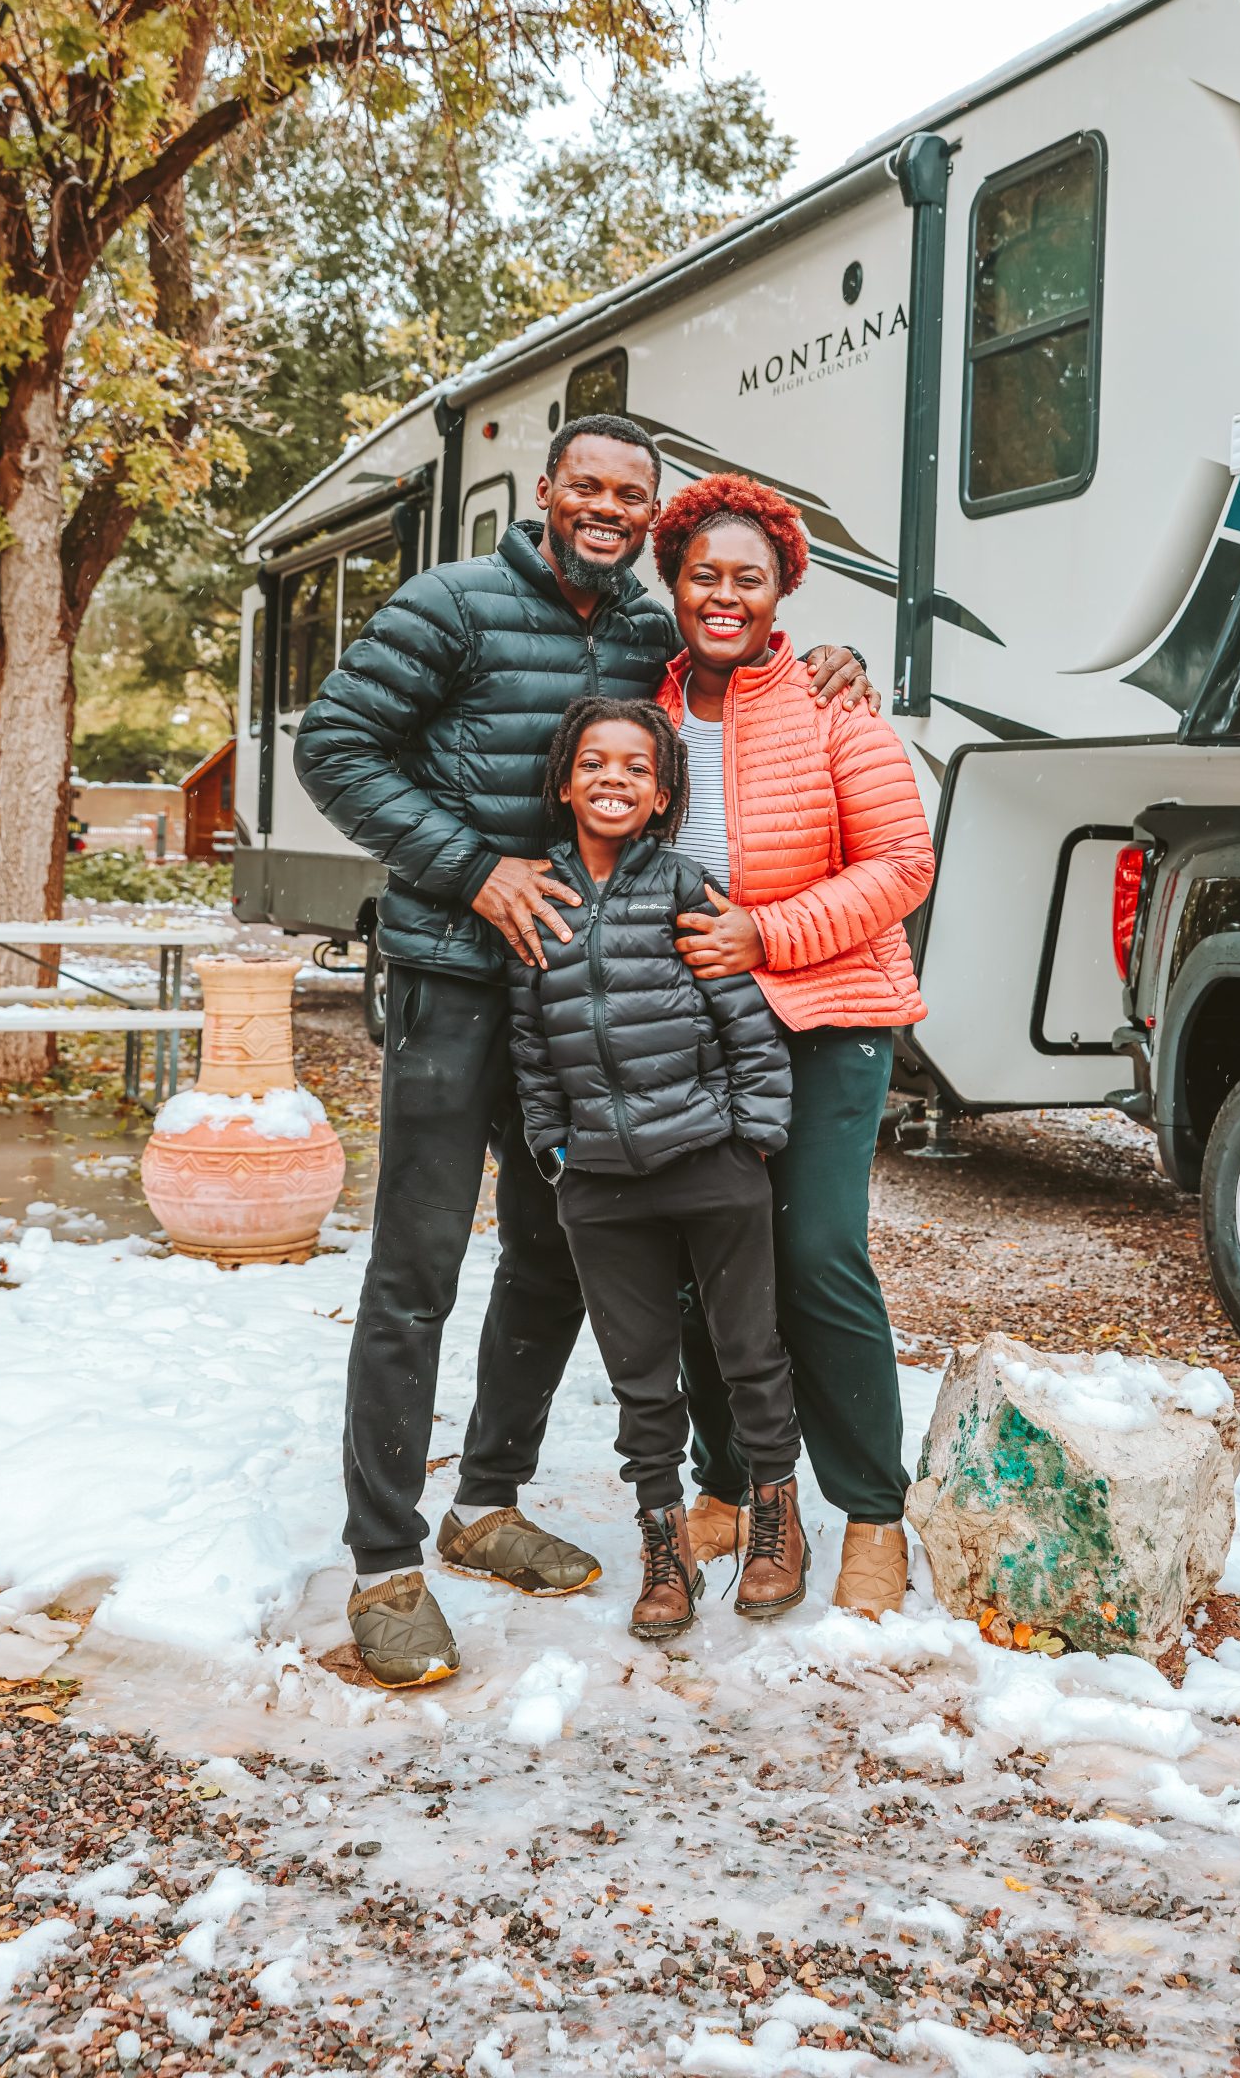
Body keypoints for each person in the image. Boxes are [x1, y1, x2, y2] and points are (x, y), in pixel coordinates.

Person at [293, 412, 871, 1689]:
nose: (607, 507)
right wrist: (473, 869)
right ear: (547, 488)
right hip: (456, 978)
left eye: (631, 494)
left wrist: (826, 661)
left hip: (584, 1002)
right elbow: (331, 746)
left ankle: (484, 1502)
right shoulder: (447, 605)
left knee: (556, 1253)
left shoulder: (650, 629)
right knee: (416, 1269)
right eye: (587, 485)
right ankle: (385, 1560)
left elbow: (738, 673)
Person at [651, 474, 936, 1617]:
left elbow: (901, 867)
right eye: (703, 574)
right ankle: (726, 1482)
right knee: (702, 1261)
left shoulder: (834, 705)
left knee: (815, 1253)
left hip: (828, 1017)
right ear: (673, 583)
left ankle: (872, 1508)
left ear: (782, 593)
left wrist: (765, 934)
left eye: (747, 577)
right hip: (689, 1026)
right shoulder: (647, 704)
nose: (724, 594)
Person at [507, 697, 807, 1642]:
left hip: (710, 1160)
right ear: (564, 782)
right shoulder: (539, 902)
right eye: (594, 763)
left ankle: (774, 1521)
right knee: (642, 1378)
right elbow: (528, 1042)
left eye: (637, 768)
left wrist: (753, 1138)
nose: (614, 780)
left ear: (664, 793)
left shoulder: (683, 886)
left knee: (748, 1352)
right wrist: (555, 1148)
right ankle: (664, 1545)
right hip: (598, 1180)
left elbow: (744, 1021)